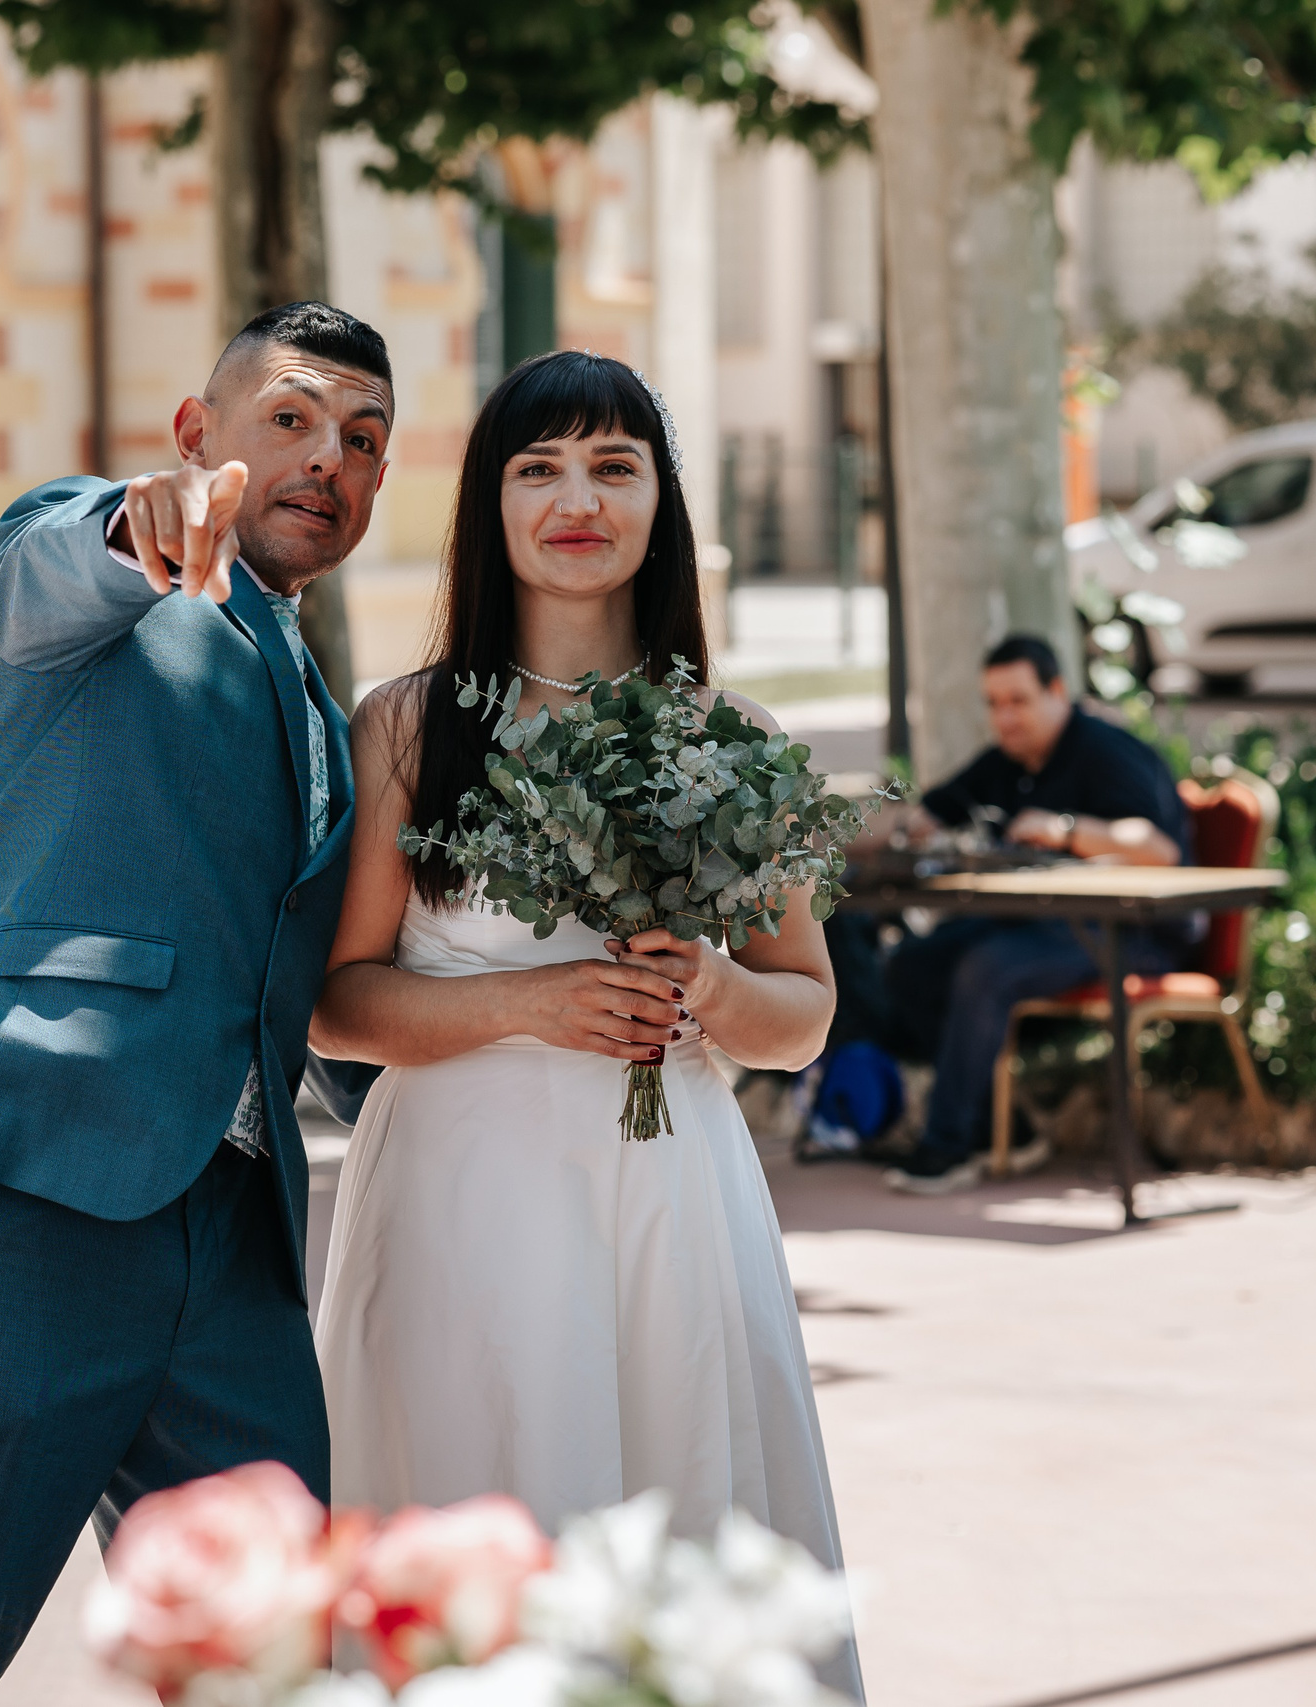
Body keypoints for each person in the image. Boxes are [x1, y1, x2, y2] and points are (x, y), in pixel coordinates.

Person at [306, 351, 862, 1701]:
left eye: (615, 465)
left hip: (670, 1201)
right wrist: (530, 1003)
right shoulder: (409, 727)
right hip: (463, 1202)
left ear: (661, 500)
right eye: (538, 465)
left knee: (676, 1509)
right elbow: (337, 998)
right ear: (489, 504)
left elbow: (807, 1014)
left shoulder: (733, 736)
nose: (578, 496)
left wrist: (717, 993)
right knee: (476, 1533)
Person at [0, 302, 390, 1705]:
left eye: (363, 439)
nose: (327, 456)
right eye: (288, 419)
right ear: (193, 436)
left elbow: (311, 981)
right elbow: (59, 561)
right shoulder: (86, 571)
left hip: (231, 1241)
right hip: (25, 1199)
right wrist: (136, 525)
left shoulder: (328, 719)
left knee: (279, 1658)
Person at [871, 634, 1192, 1195]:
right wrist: (805, 834)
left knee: (987, 967)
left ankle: (947, 1149)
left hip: (1140, 932)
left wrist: (1064, 829)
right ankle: (1005, 1130)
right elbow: (921, 818)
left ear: (1058, 692)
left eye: (1018, 701)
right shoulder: (1007, 760)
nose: (1005, 717)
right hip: (1045, 923)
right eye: (994, 704)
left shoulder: (1105, 750)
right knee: (913, 965)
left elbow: (1157, 849)